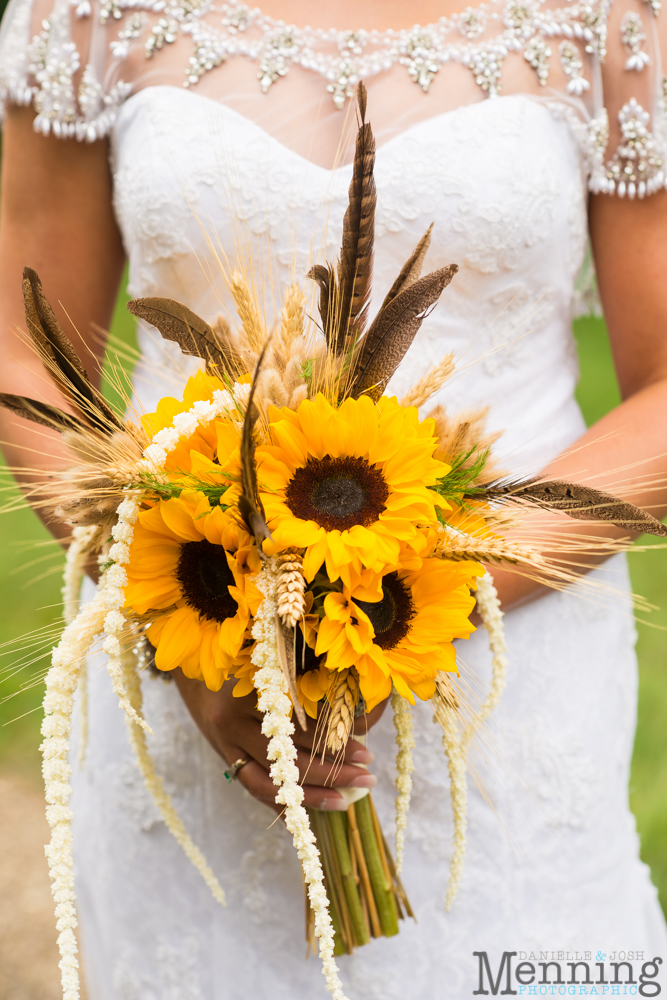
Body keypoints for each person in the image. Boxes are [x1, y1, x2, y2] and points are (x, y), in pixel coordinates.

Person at [1, 0, 667, 996]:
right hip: (187, 670)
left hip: (507, 679)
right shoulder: (85, 14)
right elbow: (26, 348)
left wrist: (402, 590)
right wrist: (188, 613)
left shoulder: (610, 18)